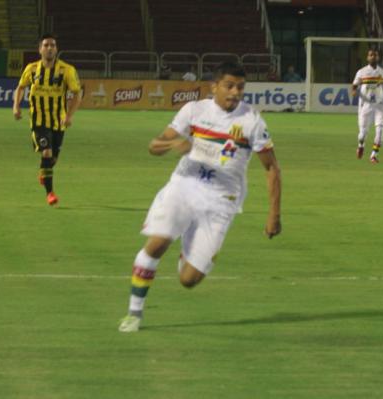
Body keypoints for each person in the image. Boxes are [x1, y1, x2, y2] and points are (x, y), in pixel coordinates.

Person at [118, 62, 282, 333]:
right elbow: (154, 146)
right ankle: (134, 314)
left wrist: (274, 214)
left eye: (240, 87)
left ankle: (190, 247)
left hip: (222, 199)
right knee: (157, 243)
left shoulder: (252, 121)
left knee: (189, 279)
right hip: (184, 185)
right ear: (214, 87)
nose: (235, 92)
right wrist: (174, 144)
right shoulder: (194, 111)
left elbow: (271, 168)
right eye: (229, 86)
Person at [12, 33, 82, 206]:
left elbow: (77, 93)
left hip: (58, 121)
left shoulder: (67, 70)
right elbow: (20, 87)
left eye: (53, 45)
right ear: (40, 49)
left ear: (56, 49)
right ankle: (50, 193)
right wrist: (16, 106)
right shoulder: (32, 69)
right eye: (46, 45)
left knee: (52, 160)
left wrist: (70, 115)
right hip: (38, 120)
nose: (50, 48)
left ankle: (44, 172)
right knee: (47, 152)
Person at [351, 48, 383, 163]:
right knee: (362, 134)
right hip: (365, 106)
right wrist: (353, 92)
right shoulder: (361, 72)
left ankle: (374, 155)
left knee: (380, 131)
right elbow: (354, 86)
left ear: (378, 58)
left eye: (375, 55)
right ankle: (361, 145)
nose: (373, 57)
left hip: (379, 105)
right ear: (367, 57)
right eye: (371, 55)